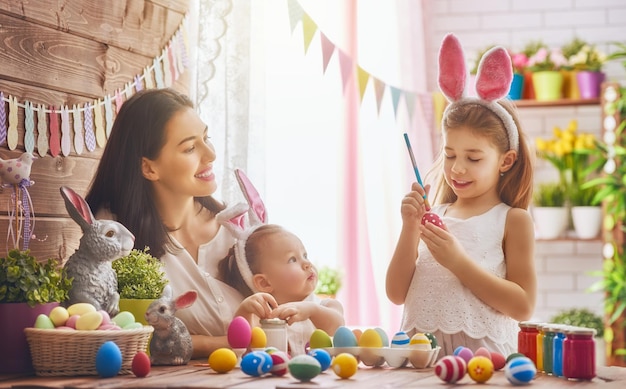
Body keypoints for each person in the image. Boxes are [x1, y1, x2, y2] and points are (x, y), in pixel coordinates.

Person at [386, 34, 536, 357]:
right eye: (450, 154)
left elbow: (523, 305)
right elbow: (396, 293)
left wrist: (458, 261)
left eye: (474, 157)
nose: (457, 169)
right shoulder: (435, 214)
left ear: (505, 161)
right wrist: (409, 228)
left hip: (483, 366)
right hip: (422, 364)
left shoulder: (513, 220)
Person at [85, 88, 261, 358]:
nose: (210, 154)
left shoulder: (237, 228)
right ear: (149, 168)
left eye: (206, 138)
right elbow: (122, 330)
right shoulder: (115, 234)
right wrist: (218, 344)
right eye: (190, 147)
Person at [216, 191, 344, 355]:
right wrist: (245, 311)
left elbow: (338, 326)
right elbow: (243, 343)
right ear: (264, 283)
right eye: (292, 259)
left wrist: (311, 310)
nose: (306, 264)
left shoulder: (325, 306)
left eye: (305, 255)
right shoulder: (263, 317)